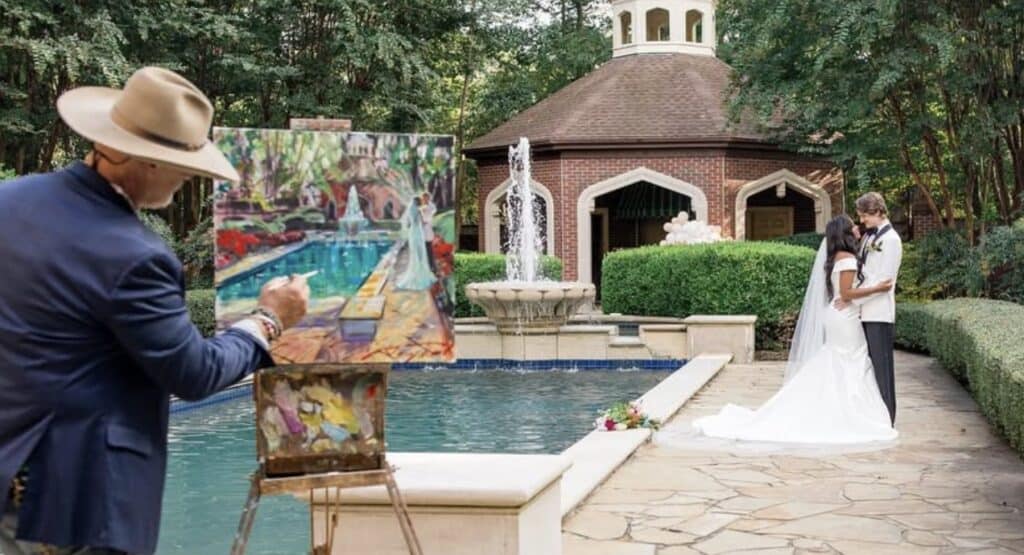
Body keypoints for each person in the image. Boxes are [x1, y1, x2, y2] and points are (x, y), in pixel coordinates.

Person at [0, 67, 309, 555]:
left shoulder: (8, 202)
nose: (190, 174)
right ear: (131, 156)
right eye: (178, 161)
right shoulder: (134, 254)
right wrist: (268, 319)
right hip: (76, 503)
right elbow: (193, 373)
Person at [692, 214, 897, 444]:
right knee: (849, 361)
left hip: (839, 316)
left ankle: (832, 408)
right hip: (845, 319)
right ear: (846, 234)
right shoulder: (847, 258)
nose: (858, 230)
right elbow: (847, 294)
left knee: (840, 360)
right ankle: (846, 414)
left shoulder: (837, 256)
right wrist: (877, 289)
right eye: (853, 228)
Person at [837, 192, 903, 425]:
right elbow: (863, 272)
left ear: (876, 212)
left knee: (882, 369)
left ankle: (888, 420)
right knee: (868, 369)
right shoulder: (868, 238)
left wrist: (852, 299)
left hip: (879, 314)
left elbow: (884, 283)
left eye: (864, 216)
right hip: (863, 312)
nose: (862, 221)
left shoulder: (892, 240)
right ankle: (872, 416)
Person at [396, 197, 437, 291]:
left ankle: (416, 271)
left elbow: (408, 223)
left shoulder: (410, 210)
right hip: (418, 233)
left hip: (412, 233)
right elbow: (423, 222)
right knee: (420, 253)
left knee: (415, 253)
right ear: (418, 203)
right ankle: (420, 272)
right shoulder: (418, 211)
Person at [419, 191, 438, 274]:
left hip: (428, 230)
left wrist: (425, 221)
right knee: (424, 250)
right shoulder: (421, 206)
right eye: (423, 198)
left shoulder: (432, 206)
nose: (424, 199)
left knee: (429, 249)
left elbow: (432, 216)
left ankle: (432, 267)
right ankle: (426, 266)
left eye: (426, 198)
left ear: (428, 198)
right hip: (421, 230)